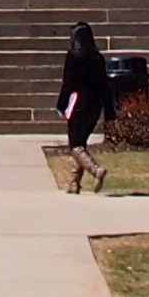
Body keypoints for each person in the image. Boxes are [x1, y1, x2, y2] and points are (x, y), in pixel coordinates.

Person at [58, 20, 114, 193]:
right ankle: (74, 183)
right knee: (81, 143)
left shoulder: (73, 57)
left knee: (75, 145)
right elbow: (105, 85)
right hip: (95, 105)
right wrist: (109, 110)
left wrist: (61, 104)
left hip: (78, 103)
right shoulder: (97, 58)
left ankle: (96, 170)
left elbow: (68, 84)